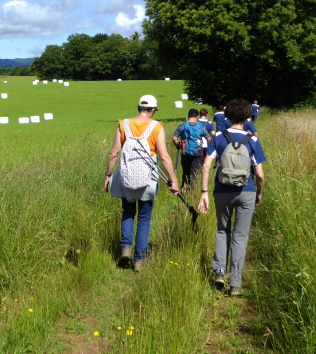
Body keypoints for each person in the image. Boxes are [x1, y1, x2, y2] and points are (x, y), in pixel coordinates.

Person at [197, 99, 266, 297]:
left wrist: (204, 193)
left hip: (222, 191)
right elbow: (260, 174)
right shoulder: (252, 140)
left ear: (226, 116)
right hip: (247, 191)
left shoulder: (219, 137)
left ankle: (219, 273)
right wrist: (259, 193)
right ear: (247, 117)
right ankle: (235, 283)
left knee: (222, 231)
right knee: (240, 236)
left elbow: (206, 166)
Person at [105, 95, 180, 272]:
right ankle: (139, 261)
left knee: (128, 212)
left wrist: (108, 175)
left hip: (127, 176)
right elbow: (164, 156)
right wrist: (173, 180)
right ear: (153, 110)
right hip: (148, 178)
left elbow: (113, 153)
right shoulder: (156, 126)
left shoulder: (123, 125)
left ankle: (125, 251)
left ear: (139, 107)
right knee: (144, 218)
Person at [173, 108, 212, 188]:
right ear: (197, 116)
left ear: (188, 116)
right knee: (195, 174)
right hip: (198, 153)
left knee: (186, 172)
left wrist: (178, 146)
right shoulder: (201, 126)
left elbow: (174, 138)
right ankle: (193, 192)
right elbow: (209, 138)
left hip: (185, 152)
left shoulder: (183, 125)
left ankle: (184, 190)